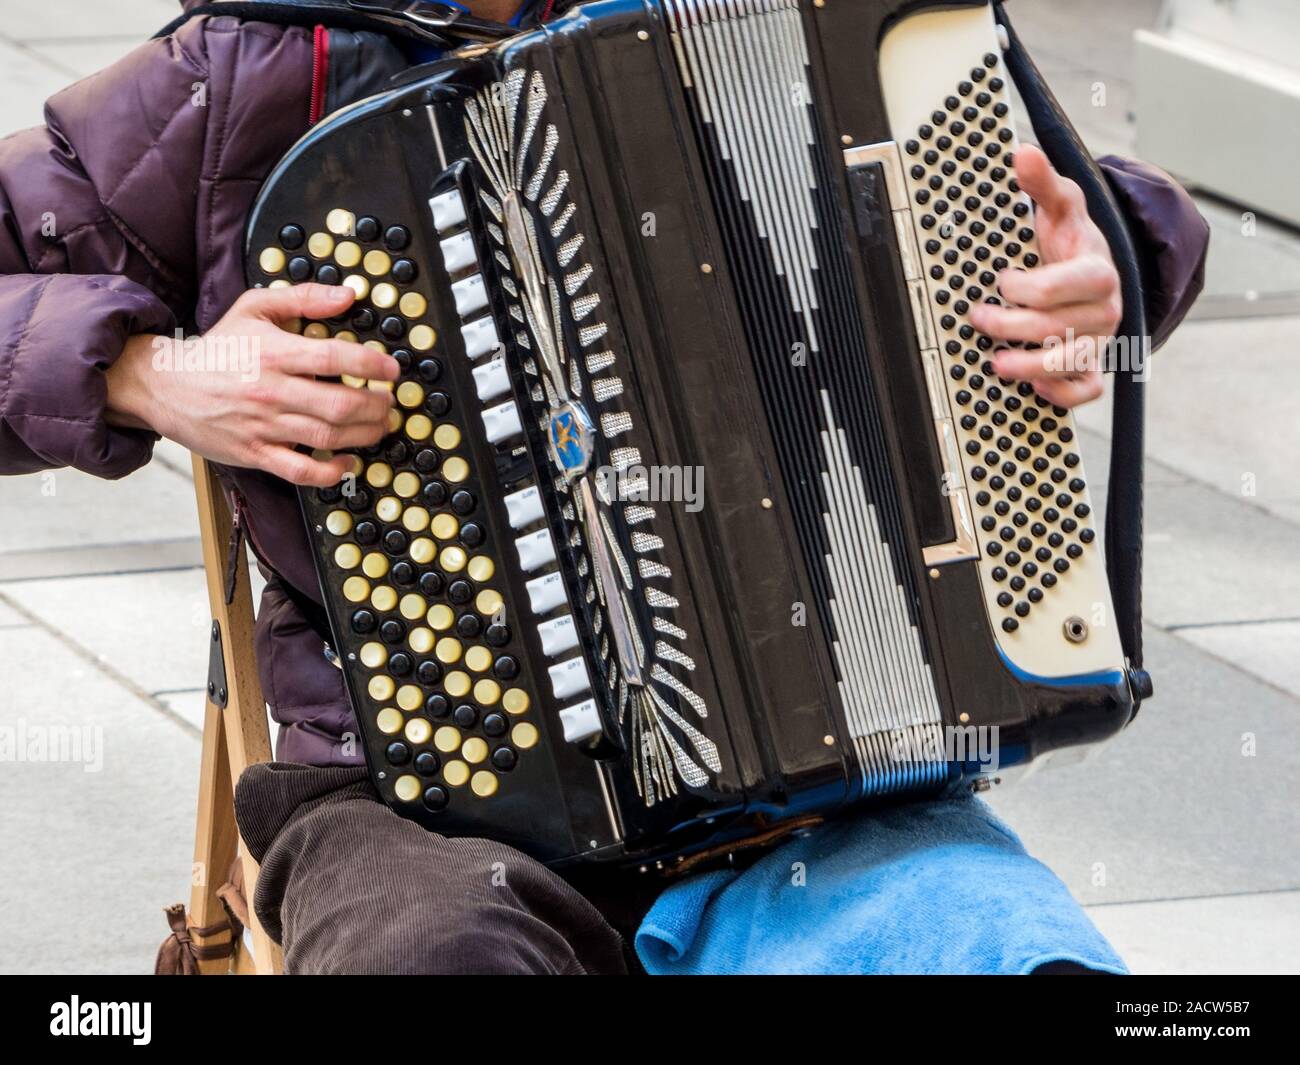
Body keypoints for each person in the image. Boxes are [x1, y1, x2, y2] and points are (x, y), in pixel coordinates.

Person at [0, 0, 1208, 974]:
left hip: (828, 801)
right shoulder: (243, 72)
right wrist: (153, 375)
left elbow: (1083, 208)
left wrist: (1102, 274)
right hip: (408, 800)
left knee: (1013, 950)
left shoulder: (810, 26)